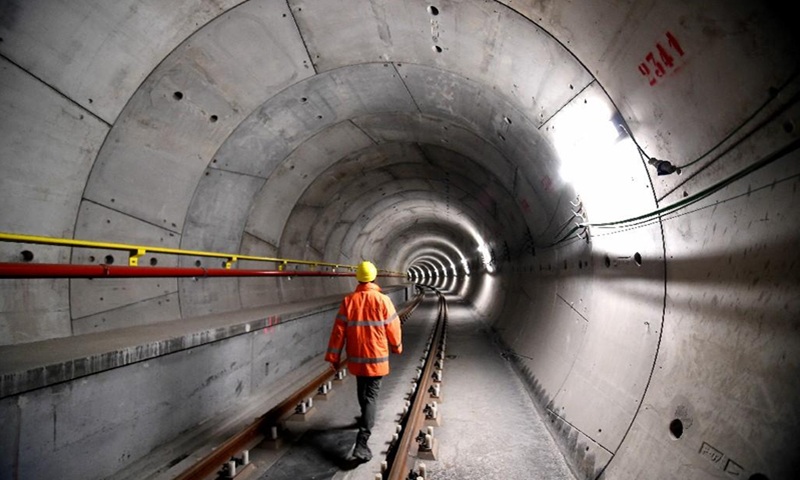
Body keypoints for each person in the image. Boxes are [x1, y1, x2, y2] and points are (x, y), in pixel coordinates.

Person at [325, 260, 403, 463]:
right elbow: (393, 327)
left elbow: (338, 331)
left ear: (358, 278)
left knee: (362, 391)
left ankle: (364, 420)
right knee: (371, 396)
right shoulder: (383, 300)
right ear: (375, 278)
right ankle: (362, 440)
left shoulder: (349, 301)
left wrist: (333, 356)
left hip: (357, 358)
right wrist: (397, 346)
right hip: (377, 359)